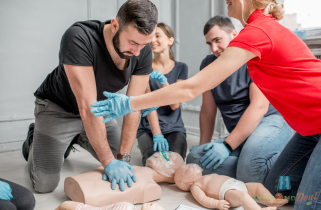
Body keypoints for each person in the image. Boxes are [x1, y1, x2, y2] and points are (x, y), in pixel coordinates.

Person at [90, 0, 321, 209]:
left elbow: (190, 88)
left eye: (230, 1)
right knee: (276, 190)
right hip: (309, 130)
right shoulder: (256, 32)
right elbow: (205, 107)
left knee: (305, 206)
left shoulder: (257, 32)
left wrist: (130, 102)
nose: (225, 4)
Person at [22, 0, 158, 193]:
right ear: (115, 25)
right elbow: (87, 107)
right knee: (44, 184)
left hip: (99, 111)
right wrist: (109, 163)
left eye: (144, 44)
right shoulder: (79, 37)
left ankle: (77, 137)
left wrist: (122, 158)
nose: (137, 52)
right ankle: (32, 140)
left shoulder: (142, 51)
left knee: (119, 161)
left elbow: (132, 106)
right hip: (58, 109)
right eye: (133, 42)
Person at [186, 16, 292, 184]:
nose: (214, 48)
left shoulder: (253, 58)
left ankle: (281, 162)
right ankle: (251, 169)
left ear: (234, 34)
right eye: (209, 43)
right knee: (194, 160)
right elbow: (207, 110)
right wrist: (203, 146)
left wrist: (227, 146)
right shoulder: (207, 65)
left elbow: (259, 107)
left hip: (269, 121)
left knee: (249, 166)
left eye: (217, 40)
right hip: (240, 134)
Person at [137, 23, 188, 165]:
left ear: (170, 40)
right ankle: (143, 142)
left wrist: (164, 82)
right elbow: (148, 104)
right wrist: (157, 134)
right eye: (151, 37)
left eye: (158, 36)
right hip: (149, 128)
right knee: (156, 163)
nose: (153, 40)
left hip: (174, 127)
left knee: (175, 162)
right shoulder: (144, 68)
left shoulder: (181, 68)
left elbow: (175, 104)